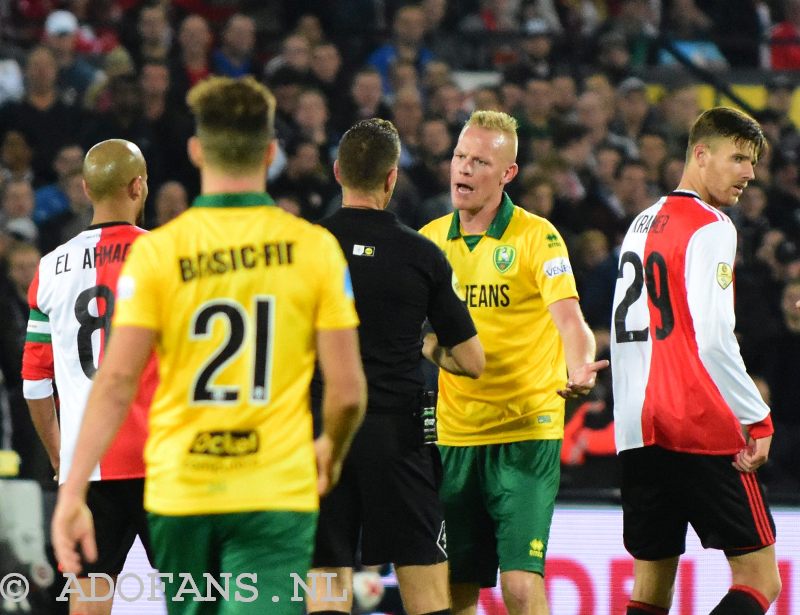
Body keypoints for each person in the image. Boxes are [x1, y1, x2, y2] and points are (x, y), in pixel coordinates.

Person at [51, 75, 367, 615]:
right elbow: (347, 392)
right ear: (270, 152)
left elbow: (117, 381)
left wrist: (73, 488)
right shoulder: (314, 249)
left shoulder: (158, 254)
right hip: (274, 487)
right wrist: (329, 452)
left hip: (183, 488)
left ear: (197, 151)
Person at [419, 110, 607, 615]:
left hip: (526, 432)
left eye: (480, 161)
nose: (463, 168)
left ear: (508, 174)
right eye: (460, 156)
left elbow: (571, 321)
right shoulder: (429, 241)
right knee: (456, 589)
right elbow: (411, 333)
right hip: (455, 435)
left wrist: (580, 366)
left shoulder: (538, 237)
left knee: (520, 586)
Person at [306, 118, 484, 615]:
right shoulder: (421, 254)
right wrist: (427, 347)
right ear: (391, 179)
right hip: (397, 438)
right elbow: (473, 361)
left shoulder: (304, 249)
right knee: (426, 594)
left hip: (320, 433)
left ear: (338, 171)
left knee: (326, 588)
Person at [610, 106, 782, 615]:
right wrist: (757, 415)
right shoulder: (712, 225)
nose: (749, 174)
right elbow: (711, 336)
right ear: (700, 155)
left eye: (752, 162)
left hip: (638, 428)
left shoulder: (642, 222)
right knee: (759, 578)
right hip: (696, 421)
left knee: (651, 584)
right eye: (738, 159)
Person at [22, 138, 157, 615]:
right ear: (138, 185)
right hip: (162, 461)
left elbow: (35, 383)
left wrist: (63, 460)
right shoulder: (166, 257)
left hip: (89, 463)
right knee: (195, 598)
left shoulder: (50, 268)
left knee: (89, 598)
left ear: (85, 188)